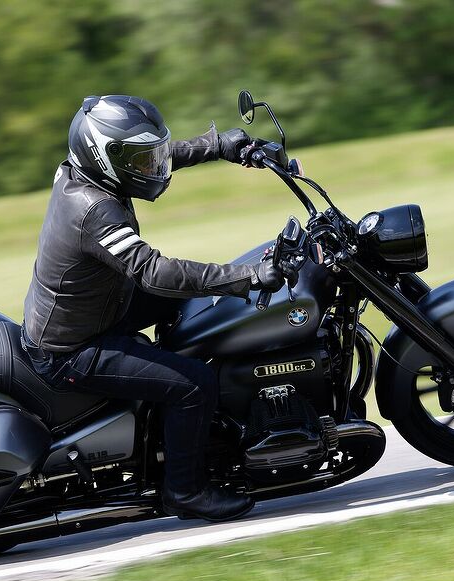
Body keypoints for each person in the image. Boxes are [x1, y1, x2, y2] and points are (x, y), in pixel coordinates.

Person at [21, 95, 284, 522]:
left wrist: (217, 145)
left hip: (98, 307)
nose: (151, 167)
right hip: (71, 348)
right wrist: (247, 276)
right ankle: (185, 491)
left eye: (147, 156)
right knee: (194, 384)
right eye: (139, 159)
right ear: (103, 157)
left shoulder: (85, 173)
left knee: (199, 299)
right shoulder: (93, 210)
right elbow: (153, 272)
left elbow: (154, 158)